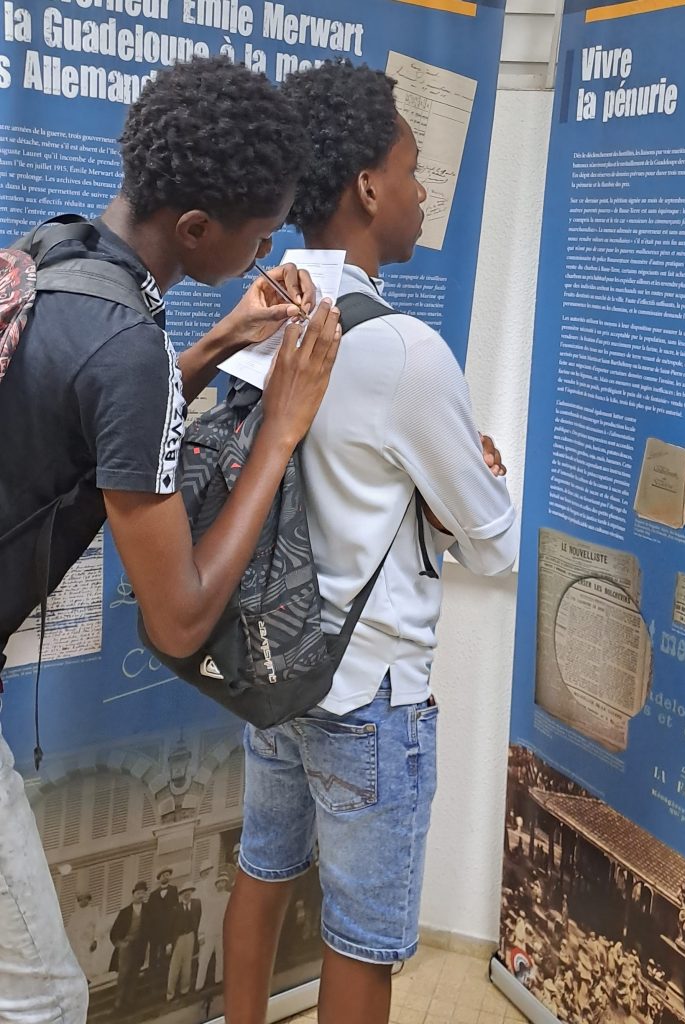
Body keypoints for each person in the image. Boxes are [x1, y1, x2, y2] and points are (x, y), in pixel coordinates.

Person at [0, 56, 341, 1024]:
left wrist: (223, 340)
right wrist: (280, 429)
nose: (269, 247)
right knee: (45, 1002)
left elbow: (97, 422)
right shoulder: (129, 349)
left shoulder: (61, 250)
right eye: (260, 232)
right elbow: (182, 617)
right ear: (195, 230)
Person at [223, 61, 518, 1024]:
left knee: (260, 874)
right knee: (360, 941)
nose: (423, 191)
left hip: (271, 670)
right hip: (370, 696)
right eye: (412, 168)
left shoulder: (263, 317)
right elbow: (495, 545)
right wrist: (470, 482)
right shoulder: (405, 352)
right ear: (366, 187)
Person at [109, 881, 150, 1012]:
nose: (140, 895)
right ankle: (118, 1003)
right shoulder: (125, 912)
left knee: (134, 973)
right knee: (123, 974)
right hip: (126, 947)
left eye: (143, 893)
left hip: (139, 946)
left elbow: (151, 927)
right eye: (138, 893)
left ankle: (130, 1002)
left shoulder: (148, 910)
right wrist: (120, 943)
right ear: (133, 894)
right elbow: (114, 932)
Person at [195, 871, 231, 991]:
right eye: (219, 882)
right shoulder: (210, 898)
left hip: (222, 931)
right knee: (204, 958)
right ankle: (199, 985)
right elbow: (204, 916)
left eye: (224, 882)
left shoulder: (229, 897)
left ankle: (218, 979)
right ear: (216, 884)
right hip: (209, 931)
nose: (221, 884)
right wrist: (201, 934)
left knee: (221, 956)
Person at [167, 882, 202, 1002]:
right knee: (175, 966)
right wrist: (169, 943)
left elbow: (200, 919)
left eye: (189, 892)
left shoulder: (196, 904)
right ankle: (170, 994)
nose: (187, 895)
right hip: (179, 938)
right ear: (181, 895)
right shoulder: (175, 908)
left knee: (187, 965)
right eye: (184, 893)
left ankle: (184, 990)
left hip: (190, 936)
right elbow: (170, 927)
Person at [146, 867, 178, 985]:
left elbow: (176, 909)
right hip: (155, 930)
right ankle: (152, 977)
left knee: (167, 952)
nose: (166, 877)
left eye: (168, 875)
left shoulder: (174, 890)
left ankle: (165, 978)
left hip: (168, 929)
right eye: (163, 875)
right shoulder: (153, 895)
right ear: (159, 878)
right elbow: (149, 913)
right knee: (154, 953)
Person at [65, 892, 100, 985]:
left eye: (84, 899)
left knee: (87, 960)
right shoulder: (75, 915)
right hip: (77, 941)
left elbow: (97, 926)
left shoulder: (93, 912)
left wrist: (95, 940)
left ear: (88, 899)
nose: (81, 901)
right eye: (79, 900)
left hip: (87, 940)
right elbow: (69, 929)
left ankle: (87, 978)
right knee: (77, 959)